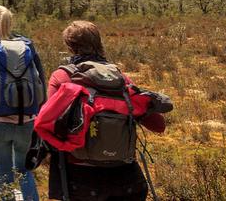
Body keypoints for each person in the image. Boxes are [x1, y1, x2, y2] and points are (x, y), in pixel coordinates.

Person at [46, 20, 166, 201]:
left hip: (80, 179)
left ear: (70, 47)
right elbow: (158, 125)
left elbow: (50, 125)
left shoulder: (62, 77)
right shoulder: (118, 78)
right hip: (126, 179)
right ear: (99, 43)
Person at [0, 5, 44, 201]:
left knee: (4, 174)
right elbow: (40, 82)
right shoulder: (27, 45)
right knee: (24, 171)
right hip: (27, 121)